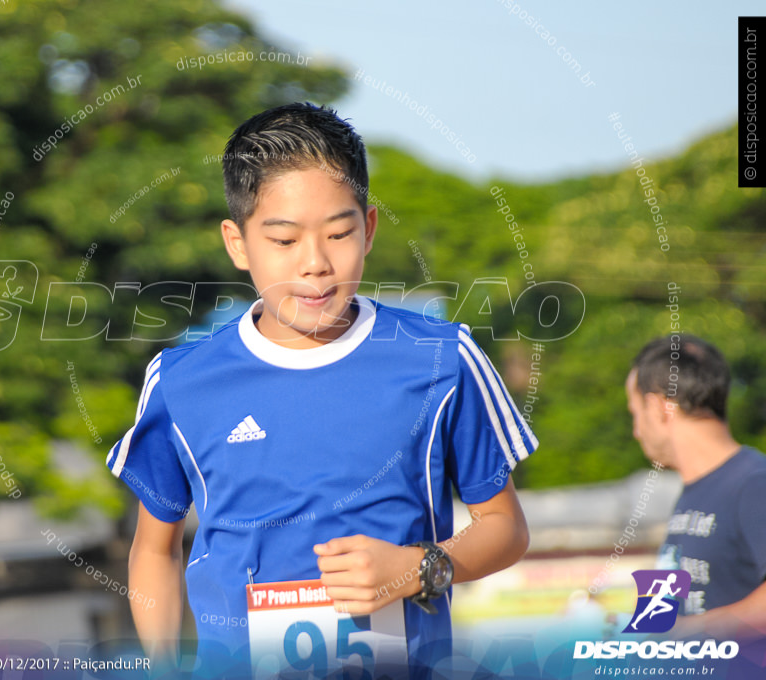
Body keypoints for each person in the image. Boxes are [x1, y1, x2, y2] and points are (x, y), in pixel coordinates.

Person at [106, 103, 537, 678]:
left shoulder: (443, 358)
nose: (315, 264)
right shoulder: (182, 381)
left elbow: (504, 527)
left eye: (339, 233)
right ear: (237, 243)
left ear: (370, 228)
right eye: (283, 240)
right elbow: (154, 550)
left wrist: (419, 567)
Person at [627, 335, 766, 638]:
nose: (636, 431)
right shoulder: (695, 492)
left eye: (635, 413)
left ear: (659, 408)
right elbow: (670, 615)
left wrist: (686, 632)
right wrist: (632, 632)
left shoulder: (755, 483)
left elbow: (683, 629)